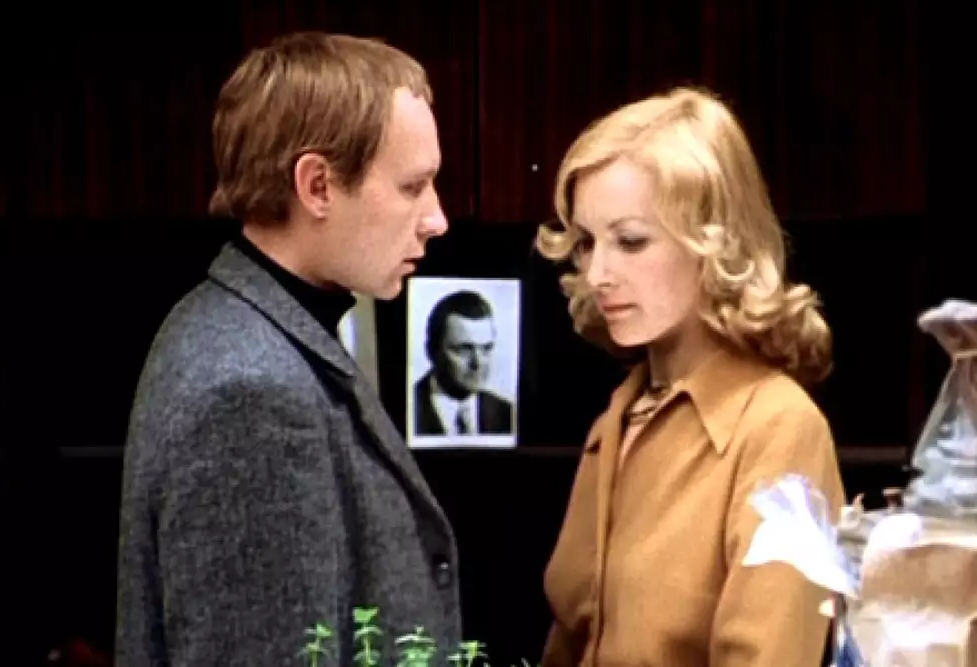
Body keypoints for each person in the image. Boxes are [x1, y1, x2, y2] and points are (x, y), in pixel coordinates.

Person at [115, 32, 461, 666]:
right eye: (414, 187)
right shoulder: (249, 391)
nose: (437, 218)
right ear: (317, 185)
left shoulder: (246, 326)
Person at [534, 87, 845, 667]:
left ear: (716, 241)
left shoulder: (779, 429)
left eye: (630, 241)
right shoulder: (616, 421)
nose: (598, 273)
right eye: (586, 243)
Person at [413, 290, 514, 437]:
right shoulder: (408, 407)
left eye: (486, 348)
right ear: (432, 351)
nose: (478, 363)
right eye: (464, 349)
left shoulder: (508, 414)